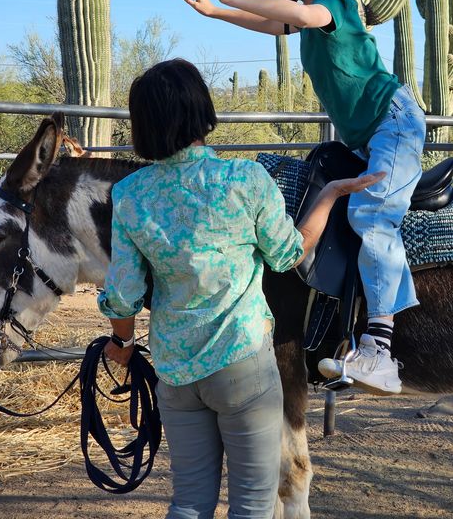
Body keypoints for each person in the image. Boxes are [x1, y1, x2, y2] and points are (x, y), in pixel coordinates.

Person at [98, 57, 381, 519]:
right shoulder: (245, 180)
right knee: (252, 504)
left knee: (188, 502)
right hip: (242, 363)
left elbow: (124, 293)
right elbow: (290, 254)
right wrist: (328, 196)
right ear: (200, 111)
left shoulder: (130, 194)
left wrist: (122, 342)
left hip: (175, 371)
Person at [181, 0, 427, 395]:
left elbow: (300, 16)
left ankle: (379, 349)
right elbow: (277, 25)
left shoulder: (331, 3)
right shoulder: (306, 15)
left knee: (372, 214)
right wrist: (217, 13)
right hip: (366, 135)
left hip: (392, 125)